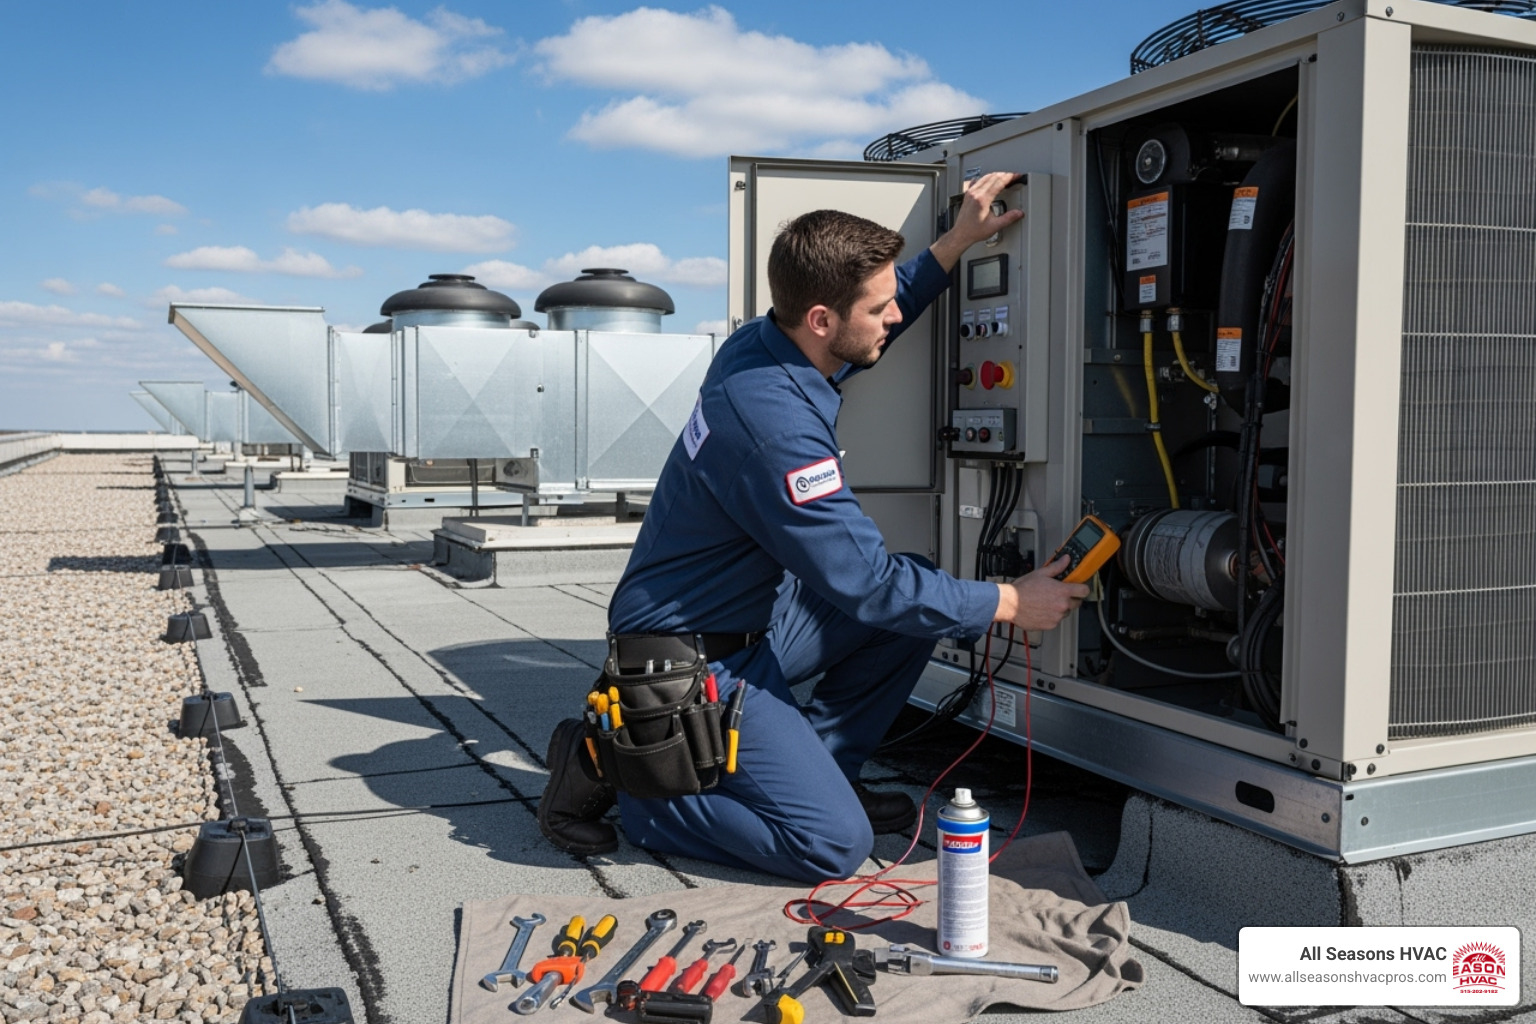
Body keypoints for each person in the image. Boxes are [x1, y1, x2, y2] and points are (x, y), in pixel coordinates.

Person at [538, 171, 1089, 883]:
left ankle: (820, 768)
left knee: (917, 592)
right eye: (880, 307)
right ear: (823, 319)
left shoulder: (767, 344)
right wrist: (1011, 602)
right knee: (830, 845)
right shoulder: (776, 430)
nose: (893, 318)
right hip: (693, 654)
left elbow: (875, 314)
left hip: (748, 617)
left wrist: (954, 244)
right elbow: (867, 585)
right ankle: (639, 785)